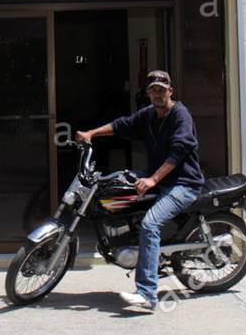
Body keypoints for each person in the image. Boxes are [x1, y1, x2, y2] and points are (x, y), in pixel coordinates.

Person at [77, 70, 203, 311]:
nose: (157, 93)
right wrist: (91, 134)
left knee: (150, 224)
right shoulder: (149, 115)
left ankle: (147, 293)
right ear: (148, 93)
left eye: (161, 89)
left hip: (183, 183)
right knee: (115, 182)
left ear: (170, 91)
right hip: (157, 175)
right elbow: (122, 125)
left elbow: (178, 153)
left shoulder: (180, 116)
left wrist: (153, 179)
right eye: (153, 89)